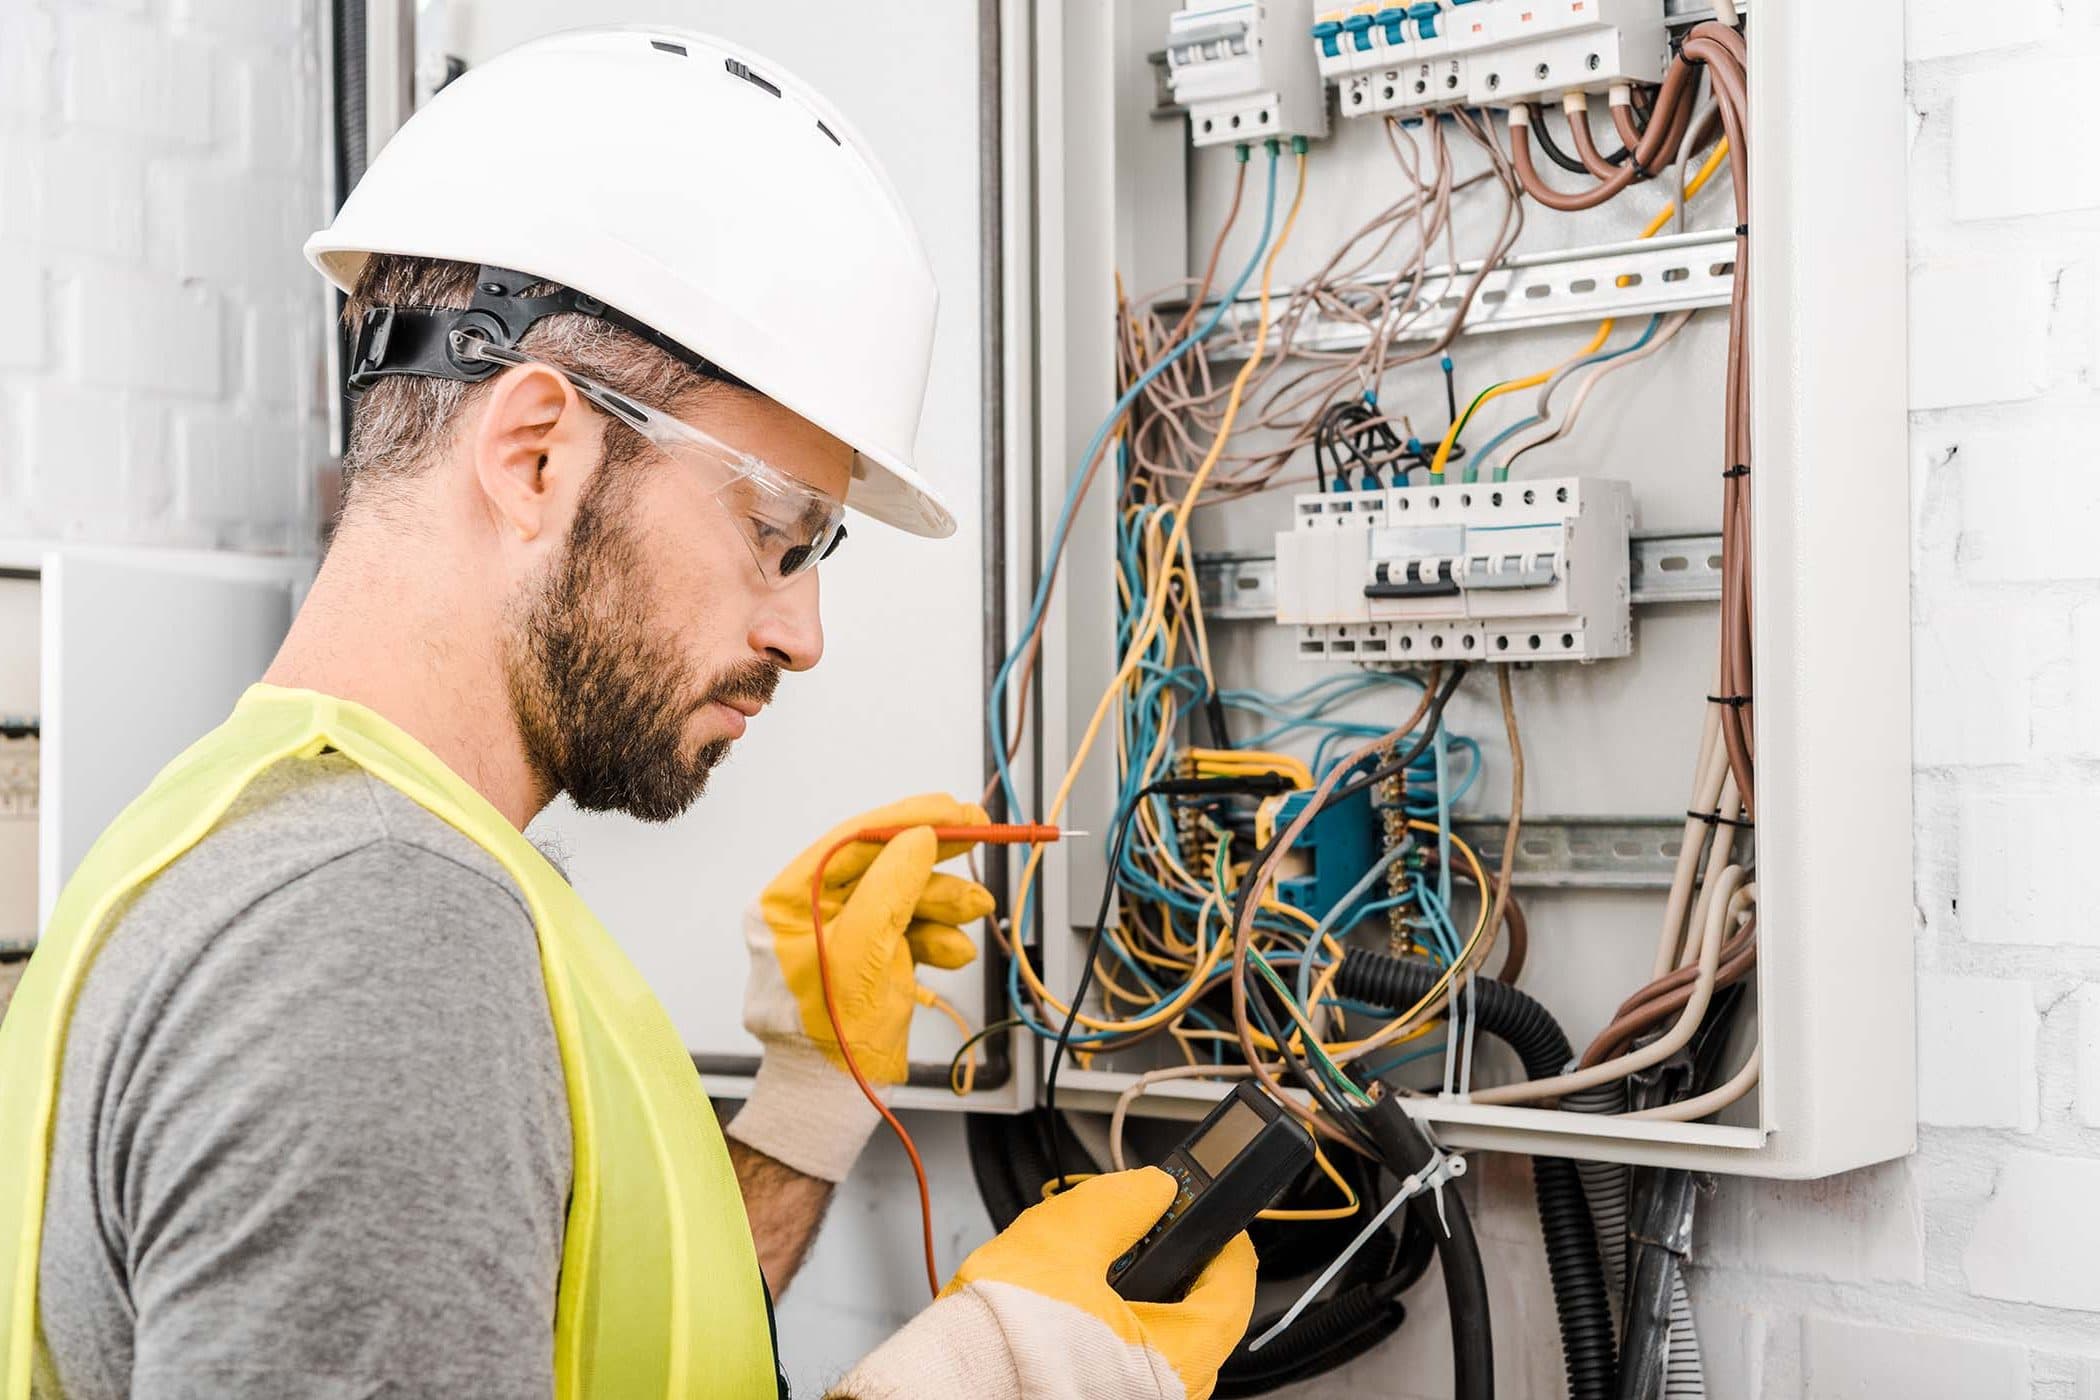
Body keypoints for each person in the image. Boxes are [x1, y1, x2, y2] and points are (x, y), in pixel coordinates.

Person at [0, 26, 1255, 1400]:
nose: (803, 633)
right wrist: (1005, 1377)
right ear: (535, 454)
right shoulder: (377, 938)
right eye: (779, 539)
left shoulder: (253, 830)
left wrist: (807, 1101)